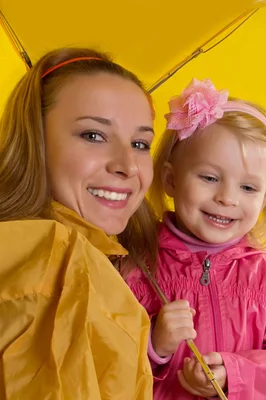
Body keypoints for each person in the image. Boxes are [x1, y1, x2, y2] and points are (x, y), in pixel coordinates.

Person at [125, 78, 266, 399]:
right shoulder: (137, 266)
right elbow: (101, 358)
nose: (227, 198)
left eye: (248, 188)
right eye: (210, 178)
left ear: (265, 200)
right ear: (171, 179)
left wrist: (235, 372)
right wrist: (153, 346)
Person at [0, 48, 159, 399]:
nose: (128, 165)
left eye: (139, 143)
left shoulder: (85, 258)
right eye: (93, 135)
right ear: (35, 141)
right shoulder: (53, 256)